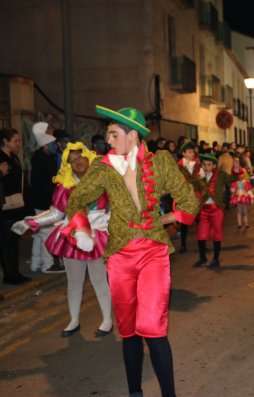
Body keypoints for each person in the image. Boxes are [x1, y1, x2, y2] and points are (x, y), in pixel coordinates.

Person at [65, 106, 199, 397]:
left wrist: (164, 220)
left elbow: (188, 202)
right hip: (120, 255)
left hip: (153, 251)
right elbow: (75, 199)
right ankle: (135, 392)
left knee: (153, 326)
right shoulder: (102, 167)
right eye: (109, 136)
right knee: (128, 328)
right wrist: (82, 228)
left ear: (132, 134)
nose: (108, 141)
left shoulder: (161, 162)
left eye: (114, 135)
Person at [13, 142, 113, 337]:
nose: (77, 163)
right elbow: (56, 213)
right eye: (72, 161)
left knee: (99, 280)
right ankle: (74, 320)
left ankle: (107, 320)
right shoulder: (65, 187)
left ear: (88, 156)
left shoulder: (104, 180)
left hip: (97, 236)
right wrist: (31, 223)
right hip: (74, 236)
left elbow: (117, 206)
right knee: (74, 282)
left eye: (79, 157)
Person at [29, 122, 61, 273]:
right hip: (44, 201)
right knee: (46, 234)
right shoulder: (44, 160)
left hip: (39, 200)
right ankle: (47, 265)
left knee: (39, 235)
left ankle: (35, 263)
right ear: (46, 146)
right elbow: (48, 184)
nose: (56, 146)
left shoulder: (39, 158)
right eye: (53, 143)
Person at [0, 128, 30, 285]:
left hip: (17, 205)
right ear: (5, 141)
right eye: (15, 141)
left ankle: (16, 272)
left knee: (14, 240)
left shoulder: (14, 158)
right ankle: (9, 275)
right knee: (6, 241)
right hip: (5, 208)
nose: (18, 144)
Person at [194, 152, 234, 268]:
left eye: (209, 164)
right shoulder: (199, 177)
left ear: (214, 166)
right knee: (201, 234)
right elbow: (192, 188)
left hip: (216, 209)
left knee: (217, 234)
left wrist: (236, 169)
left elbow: (231, 179)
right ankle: (202, 257)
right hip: (204, 210)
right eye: (204, 164)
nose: (206, 167)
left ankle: (216, 258)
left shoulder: (220, 175)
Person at [177, 141, 202, 253]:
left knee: (201, 220)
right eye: (189, 152)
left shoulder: (197, 166)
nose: (192, 154)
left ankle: (202, 243)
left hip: (196, 195)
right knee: (184, 222)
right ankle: (183, 244)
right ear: (183, 153)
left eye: (193, 151)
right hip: (185, 197)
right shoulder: (178, 166)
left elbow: (202, 180)